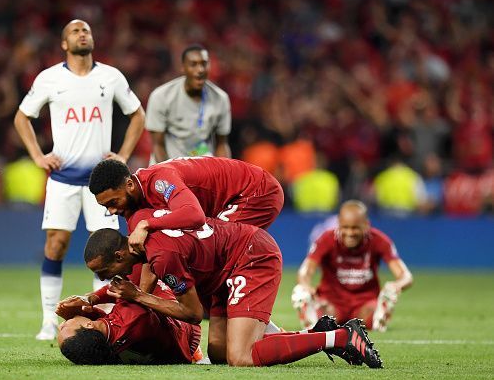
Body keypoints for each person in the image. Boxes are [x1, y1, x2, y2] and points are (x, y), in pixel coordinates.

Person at [85, 208, 382, 368]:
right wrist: (91, 300)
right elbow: (131, 285)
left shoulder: (162, 256)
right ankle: (316, 334)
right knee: (220, 353)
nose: (102, 278)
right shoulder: (144, 244)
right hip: (223, 267)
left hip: (250, 255)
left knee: (241, 358)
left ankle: (340, 337)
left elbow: (191, 312)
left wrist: (138, 296)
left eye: (103, 271)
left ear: (120, 256)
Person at [13, 19, 145, 340]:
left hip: (102, 183)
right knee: (56, 245)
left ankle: (108, 315)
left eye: (86, 30)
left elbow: (138, 116)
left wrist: (124, 157)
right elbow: (22, 117)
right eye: (75, 31)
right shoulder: (49, 79)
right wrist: (37, 156)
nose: (82, 33)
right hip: (63, 178)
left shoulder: (110, 77)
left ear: (92, 39)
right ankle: (48, 320)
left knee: (108, 250)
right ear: (64, 43)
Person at [88, 157, 283, 254]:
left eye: (113, 202)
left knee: (216, 256)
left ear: (129, 184)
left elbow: (194, 215)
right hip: (230, 200)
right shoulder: (132, 207)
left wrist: (146, 224)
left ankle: (253, 328)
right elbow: (143, 259)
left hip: (255, 190)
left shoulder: (159, 180)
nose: (112, 211)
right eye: (106, 206)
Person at [292, 200, 413, 332]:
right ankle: (312, 324)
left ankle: (379, 319)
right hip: (332, 303)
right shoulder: (326, 239)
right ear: (338, 224)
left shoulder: (379, 240)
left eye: (355, 228)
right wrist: (306, 285)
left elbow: (406, 276)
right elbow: (305, 271)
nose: (350, 233)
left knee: (381, 302)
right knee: (301, 293)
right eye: (345, 227)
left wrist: (396, 286)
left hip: (364, 305)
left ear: (366, 225)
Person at [56, 264, 202, 365]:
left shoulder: (102, 348)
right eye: (63, 327)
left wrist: (86, 310)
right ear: (88, 325)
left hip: (166, 343)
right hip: (185, 327)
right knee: (137, 270)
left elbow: (106, 325)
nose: (61, 324)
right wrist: (91, 298)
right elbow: (121, 288)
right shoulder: (133, 316)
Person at [145, 44, 231, 164]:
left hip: (202, 165)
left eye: (204, 64)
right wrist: (168, 176)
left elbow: (222, 143)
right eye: (193, 64)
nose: (200, 70)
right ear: (183, 67)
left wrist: (225, 173)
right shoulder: (161, 96)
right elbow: (158, 145)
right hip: (167, 164)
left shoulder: (221, 99)